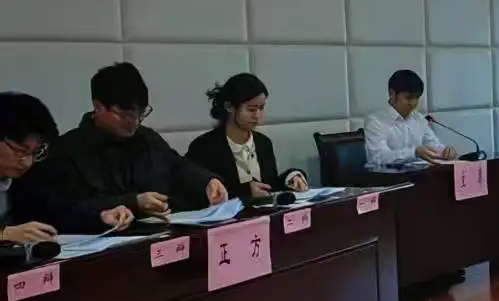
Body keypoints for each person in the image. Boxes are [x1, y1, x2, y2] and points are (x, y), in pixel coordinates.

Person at [12, 64, 224, 233]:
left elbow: (178, 166)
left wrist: (207, 181)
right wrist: (133, 202)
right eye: (125, 115)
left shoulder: (148, 139)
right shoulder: (67, 150)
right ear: (98, 107)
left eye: (141, 113)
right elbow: (65, 209)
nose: (134, 122)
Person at [3, 92, 134, 242]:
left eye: (35, 153)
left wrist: (101, 217)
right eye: (20, 150)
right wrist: (4, 234)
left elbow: (57, 213)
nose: (27, 162)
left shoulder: (30, 174)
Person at [186, 74, 309, 205]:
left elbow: (269, 185)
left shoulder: (263, 143)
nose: (257, 115)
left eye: (261, 108)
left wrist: (291, 177)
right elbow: (197, 194)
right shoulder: (204, 146)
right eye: (251, 109)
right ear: (229, 106)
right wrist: (245, 191)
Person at [364, 69, 457, 168]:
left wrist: (446, 152)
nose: (413, 103)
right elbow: (379, 157)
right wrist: (414, 152)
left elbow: (433, 145)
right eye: (408, 98)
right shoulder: (375, 121)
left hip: (420, 173)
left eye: (417, 98)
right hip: (388, 175)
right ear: (392, 94)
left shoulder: (419, 119)